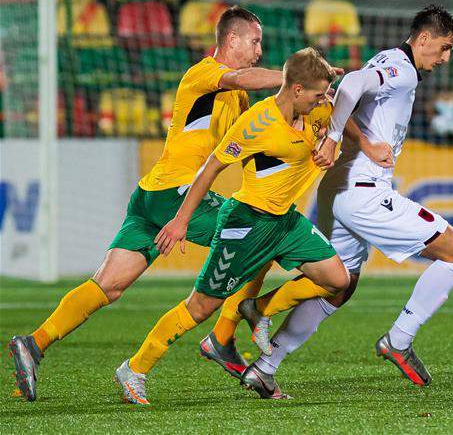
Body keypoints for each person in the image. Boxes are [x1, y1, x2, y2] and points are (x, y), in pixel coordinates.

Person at [8, 6, 284, 402]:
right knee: (263, 237)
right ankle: (222, 339)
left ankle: (32, 344)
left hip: (152, 195)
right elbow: (245, 77)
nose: (260, 50)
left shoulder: (235, 96)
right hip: (176, 196)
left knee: (109, 285)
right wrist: (295, 78)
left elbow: (250, 143)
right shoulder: (204, 73)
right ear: (233, 40)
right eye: (255, 41)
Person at [229, 5, 453, 397]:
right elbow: (352, 84)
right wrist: (338, 136)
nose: (445, 59)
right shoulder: (402, 69)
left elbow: (349, 91)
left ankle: (264, 365)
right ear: (423, 39)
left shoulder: (388, 60)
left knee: (338, 287)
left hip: (339, 190)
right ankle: (399, 339)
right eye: (443, 48)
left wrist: (351, 136)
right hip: (365, 193)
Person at [114, 49, 349, 404]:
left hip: (285, 222)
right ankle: (135, 368)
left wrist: (332, 144)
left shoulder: (318, 108)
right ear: (297, 90)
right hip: (246, 223)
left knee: (337, 280)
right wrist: (180, 220)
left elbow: (344, 111)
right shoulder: (257, 124)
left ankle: (257, 308)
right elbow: (210, 168)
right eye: (318, 94)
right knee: (200, 307)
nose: (324, 100)